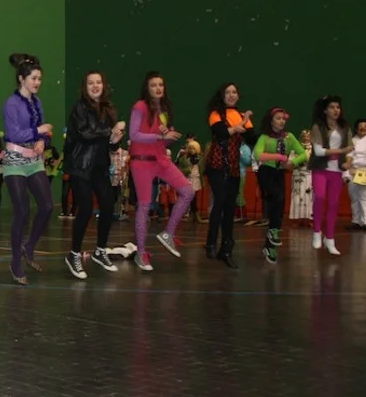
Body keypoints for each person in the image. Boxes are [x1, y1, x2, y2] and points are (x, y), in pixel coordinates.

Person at [127, 72, 195, 271]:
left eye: (161, 85)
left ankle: (168, 233)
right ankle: (141, 253)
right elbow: (134, 135)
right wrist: (159, 136)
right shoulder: (140, 106)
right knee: (144, 205)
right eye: (153, 85)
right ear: (147, 88)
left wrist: (168, 137)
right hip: (141, 162)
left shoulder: (162, 110)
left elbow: (160, 140)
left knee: (188, 191)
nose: (158, 88)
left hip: (160, 160)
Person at [63, 70, 126, 279]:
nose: (95, 86)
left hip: (99, 165)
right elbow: (85, 133)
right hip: (80, 165)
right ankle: (74, 254)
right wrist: (110, 132)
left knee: (108, 205)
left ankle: (100, 250)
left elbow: (111, 144)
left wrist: (116, 139)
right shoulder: (79, 108)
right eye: (91, 83)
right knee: (86, 207)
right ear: (85, 87)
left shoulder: (109, 109)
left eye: (98, 82)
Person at [1, 54, 53, 285]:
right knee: (22, 211)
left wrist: (42, 140)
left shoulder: (36, 102)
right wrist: (39, 131)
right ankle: (15, 262)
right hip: (15, 161)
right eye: (34, 78)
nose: (37, 82)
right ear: (22, 79)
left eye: (40, 78)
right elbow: (13, 134)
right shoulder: (11, 104)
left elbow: (42, 131)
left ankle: (29, 246)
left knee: (47, 206)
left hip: (34, 160)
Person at [204, 83, 257, 268]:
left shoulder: (242, 116)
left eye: (234, 92)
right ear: (222, 95)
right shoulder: (215, 114)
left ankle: (226, 249)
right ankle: (210, 243)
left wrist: (268, 131)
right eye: (228, 92)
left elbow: (252, 138)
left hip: (233, 167)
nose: (232, 95)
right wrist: (237, 127)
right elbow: (220, 133)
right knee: (219, 200)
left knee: (229, 207)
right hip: (217, 165)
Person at [253, 108, 307, 263]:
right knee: (277, 197)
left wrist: (292, 162)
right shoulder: (265, 137)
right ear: (271, 121)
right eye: (278, 118)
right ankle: (272, 233)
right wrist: (280, 157)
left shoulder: (289, 137)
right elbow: (258, 154)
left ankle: (270, 245)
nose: (282, 121)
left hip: (279, 173)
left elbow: (303, 154)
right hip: (265, 172)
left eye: (283, 118)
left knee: (279, 207)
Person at [309, 95, 351, 255]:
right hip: (320, 168)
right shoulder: (318, 127)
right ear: (325, 110)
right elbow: (319, 151)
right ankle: (317, 232)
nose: (336, 110)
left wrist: (348, 162)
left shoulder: (344, 127)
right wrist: (341, 151)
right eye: (332, 107)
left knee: (333, 204)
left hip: (337, 170)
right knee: (319, 197)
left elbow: (350, 149)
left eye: (338, 107)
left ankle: (330, 238)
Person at [346, 118, 366, 231]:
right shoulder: (351, 141)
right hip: (353, 171)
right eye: (361, 126)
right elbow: (346, 158)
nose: (363, 128)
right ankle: (356, 221)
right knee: (354, 198)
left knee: (364, 197)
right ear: (356, 128)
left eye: (365, 126)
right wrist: (347, 174)